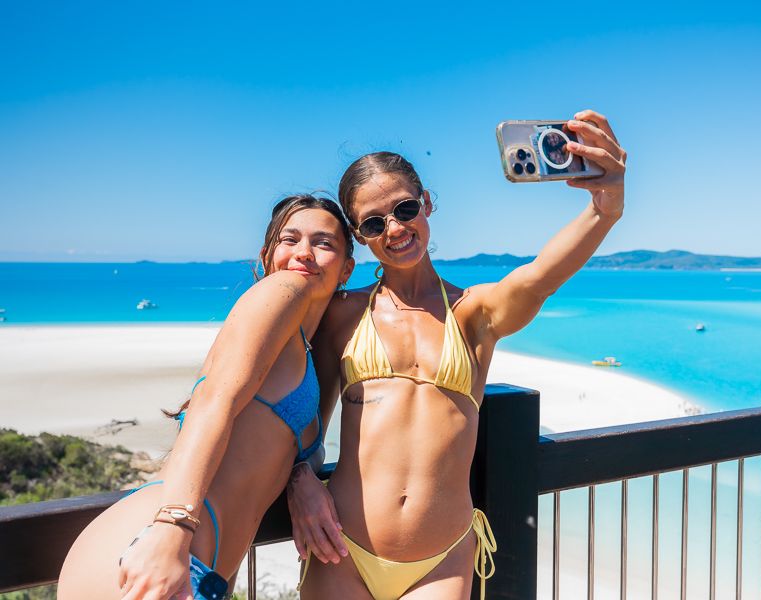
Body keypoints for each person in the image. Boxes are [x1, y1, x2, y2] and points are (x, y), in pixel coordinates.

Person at [288, 109, 626, 600]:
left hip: (440, 561)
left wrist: (604, 209)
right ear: (359, 237)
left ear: (427, 203)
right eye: (374, 222)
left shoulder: (474, 313)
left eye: (405, 210)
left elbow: (538, 277)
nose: (395, 229)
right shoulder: (342, 315)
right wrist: (300, 479)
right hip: (342, 550)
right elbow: (308, 426)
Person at [57, 195, 355, 600]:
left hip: (198, 559)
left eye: (323, 243)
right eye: (290, 239)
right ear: (268, 257)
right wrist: (171, 527)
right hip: (160, 541)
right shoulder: (281, 290)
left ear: (347, 268)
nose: (303, 252)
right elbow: (215, 400)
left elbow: (275, 452)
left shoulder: (308, 349)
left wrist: (302, 477)